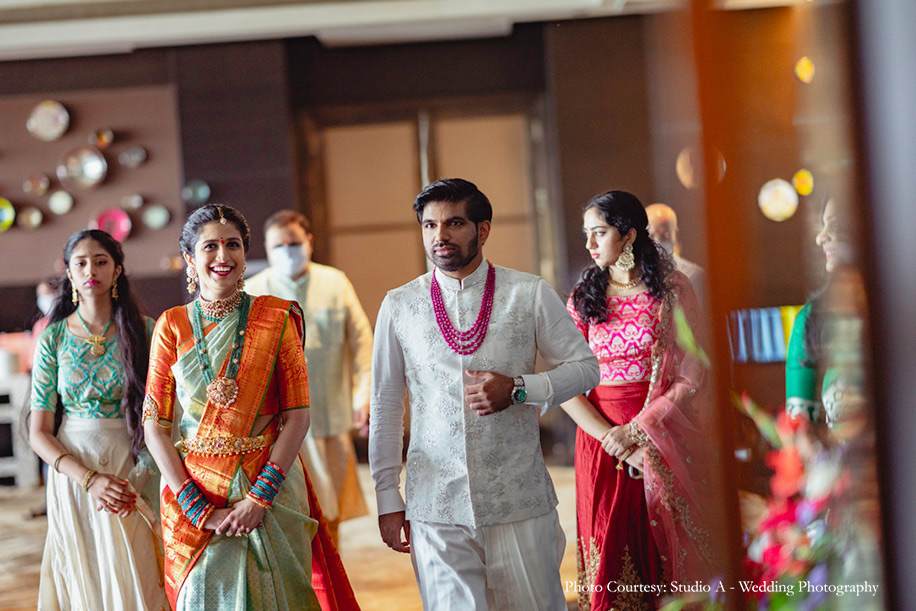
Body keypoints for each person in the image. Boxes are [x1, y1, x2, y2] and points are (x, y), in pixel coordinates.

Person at [369, 178, 599, 610]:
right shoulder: (399, 305)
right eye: (429, 225)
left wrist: (519, 389)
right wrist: (387, 497)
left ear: (484, 229)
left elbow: (586, 369)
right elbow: (384, 402)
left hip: (518, 498)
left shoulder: (527, 293)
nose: (440, 236)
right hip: (435, 503)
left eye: (454, 223)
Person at [142, 204, 358, 610]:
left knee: (280, 595)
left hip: (270, 487)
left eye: (233, 245)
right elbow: (154, 425)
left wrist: (259, 499)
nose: (222, 256)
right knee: (203, 595)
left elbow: (298, 415)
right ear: (190, 258)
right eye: (210, 247)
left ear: (244, 253)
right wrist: (195, 506)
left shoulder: (277, 318)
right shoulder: (171, 325)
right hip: (196, 494)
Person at [562, 191, 714, 610]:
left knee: (667, 559)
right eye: (586, 235)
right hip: (601, 443)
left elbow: (692, 370)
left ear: (628, 235)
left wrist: (640, 429)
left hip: (662, 432)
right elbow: (564, 384)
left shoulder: (671, 290)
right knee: (615, 560)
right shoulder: (582, 299)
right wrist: (612, 437)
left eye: (600, 233)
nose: (590, 245)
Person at [28, 229, 168, 610]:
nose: (92, 269)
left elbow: (163, 414)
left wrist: (139, 475)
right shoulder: (53, 339)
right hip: (74, 472)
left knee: (138, 571)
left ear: (117, 270)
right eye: (81, 262)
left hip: (134, 465)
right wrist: (88, 480)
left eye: (101, 261)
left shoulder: (146, 330)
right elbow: (38, 431)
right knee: (85, 571)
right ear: (69, 274)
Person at [246, 210, 371, 544]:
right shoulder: (255, 291)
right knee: (293, 508)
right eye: (279, 245)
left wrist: (364, 396)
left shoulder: (335, 281)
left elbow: (362, 342)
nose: (287, 250)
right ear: (267, 249)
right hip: (280, 426)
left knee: (333, 512)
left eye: (294, 242)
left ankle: (333, 584)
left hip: (330, 413)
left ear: (309, 242)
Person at [785, 197, 862, 426]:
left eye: (835, 226)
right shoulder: (810, 321)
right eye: (823, 226)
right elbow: (800, 434)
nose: (821, 238)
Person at [646, 202, 707, 307]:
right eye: (652, 236)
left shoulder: (694, 275)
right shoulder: (633, 276)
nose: (658, 243)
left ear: (676, 233)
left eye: (665, 235)